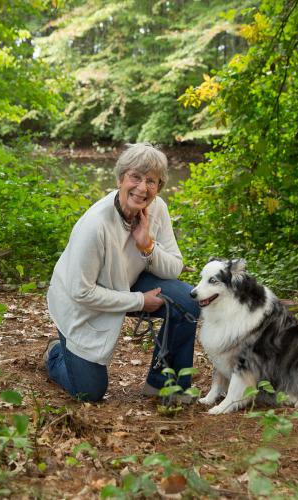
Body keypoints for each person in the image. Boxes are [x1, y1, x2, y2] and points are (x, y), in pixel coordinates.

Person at [43, 143, 200, 402]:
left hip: (128, 282)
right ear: (120, 179)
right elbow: (81, 291)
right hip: (80, 302)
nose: (142, 188)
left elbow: (174, 267)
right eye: (135, 177)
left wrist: (146, 246)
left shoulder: (157, 208)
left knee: (186, 302)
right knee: (90, 391)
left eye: (151, 181)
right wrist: (140, 301)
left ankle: (163, 383)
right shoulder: (95, 226)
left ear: (159, 187)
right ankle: (57, 353)